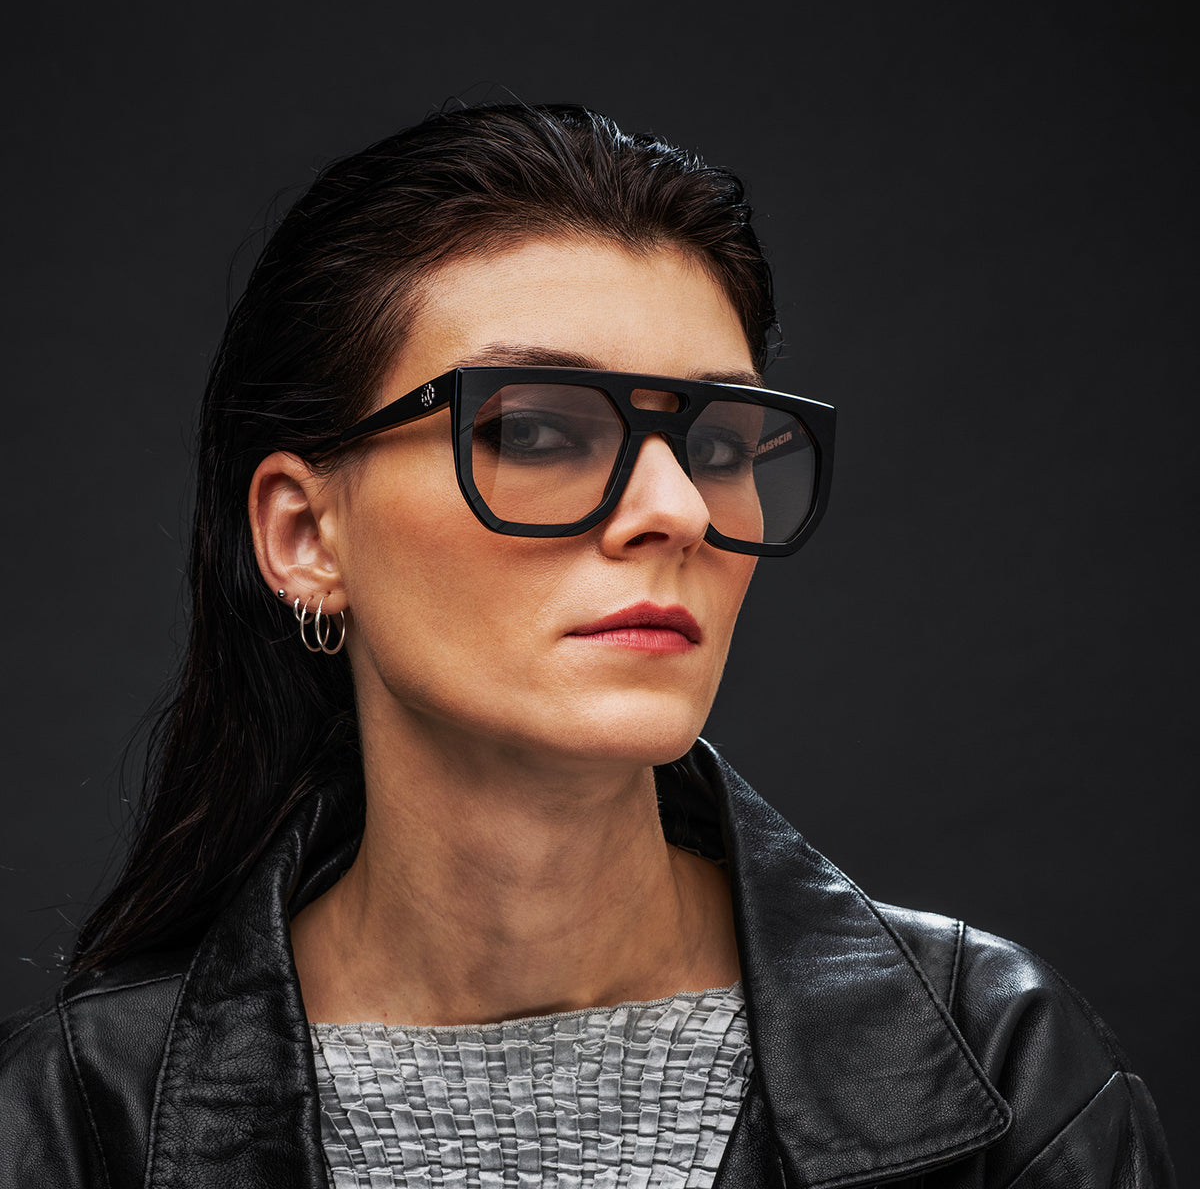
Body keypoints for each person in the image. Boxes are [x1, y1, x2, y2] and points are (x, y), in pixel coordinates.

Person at [0, 102, 1175, 1188]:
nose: (677, 508)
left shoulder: (1009, 1075)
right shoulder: (76, 1119)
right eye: (537, 431)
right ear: (306, 536)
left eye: (719, 445)